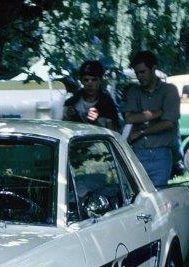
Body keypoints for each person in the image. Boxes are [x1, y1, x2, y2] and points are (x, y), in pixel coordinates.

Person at [123, 50, 180, 187]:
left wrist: (141, 132)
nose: (140, 76)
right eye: (137, 73)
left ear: (153, 68)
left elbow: (168, 123)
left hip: (160, 153)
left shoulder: (169, 90)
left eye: (143, 72)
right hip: (137, 152)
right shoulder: (134, 91)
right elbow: (128, 118)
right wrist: (154, 114)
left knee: (158, 194)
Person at [62, 60, 120, 131]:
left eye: (94, 80)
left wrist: (96, 122)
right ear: (81, 81)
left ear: (100, 80)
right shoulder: (71, 102)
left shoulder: (107, 103)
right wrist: (69, 116)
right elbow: (63, 128)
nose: (90, 84)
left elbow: (113, 132)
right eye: (86, 80)